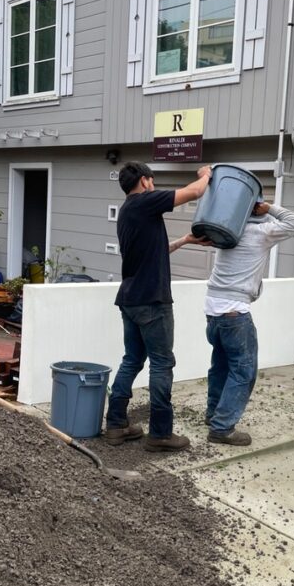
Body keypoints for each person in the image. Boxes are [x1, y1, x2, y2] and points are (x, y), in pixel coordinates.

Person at [104, 161, 212, 452]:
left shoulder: (128, 212)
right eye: (152, 180)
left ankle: (116, 424)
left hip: (130, 299)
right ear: (144, 180)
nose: (154, 184)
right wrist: (206, 175)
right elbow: (193, 192)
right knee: (162, 363)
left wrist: (185, 240)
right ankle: (161, 434)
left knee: (132, 360)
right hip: (152, 301)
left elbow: (155, 250)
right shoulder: (144, 201)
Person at [203, 198, 294, 445]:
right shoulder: (263, 232)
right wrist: (270, 208)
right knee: (243, 370)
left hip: (212, 308)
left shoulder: (228, 232)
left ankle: (213, 414)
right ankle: (222, 427)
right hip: (234, 312)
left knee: (220, 365)